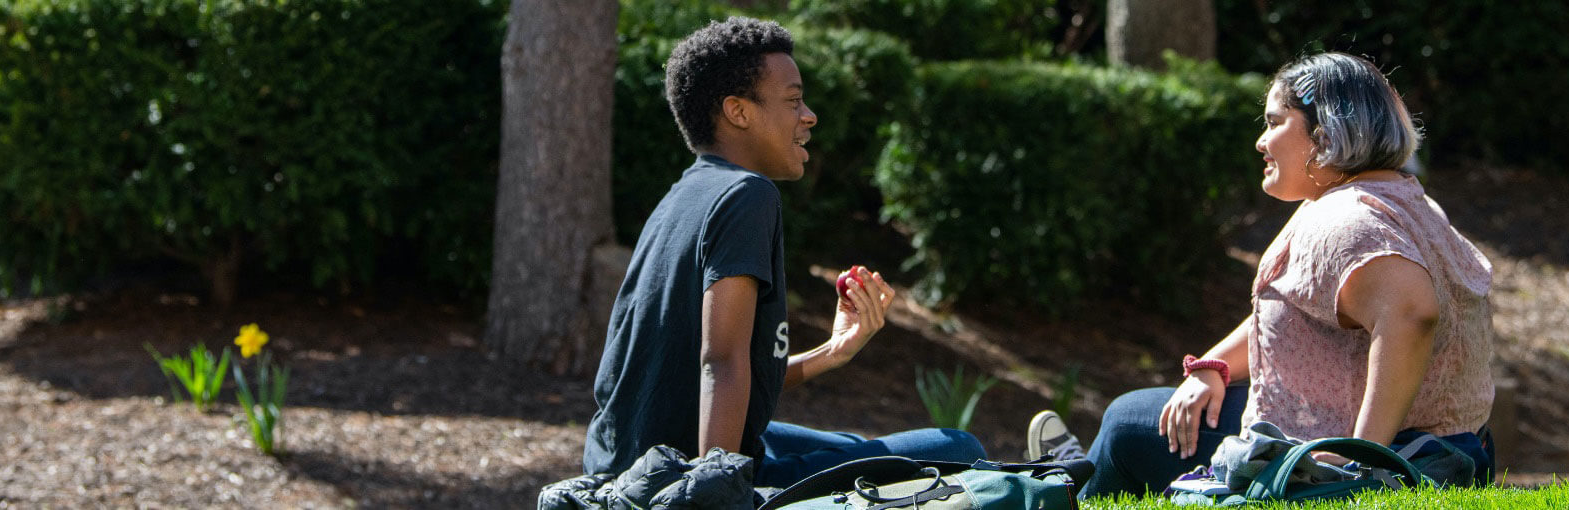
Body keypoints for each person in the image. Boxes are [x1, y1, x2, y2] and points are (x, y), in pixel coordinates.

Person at [1025, 52, 1498, 498]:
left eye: (1274, 123)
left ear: (1325, 133)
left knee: (1128, 423)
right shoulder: (1394, 197)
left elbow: (1412, 314)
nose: (1260, 141)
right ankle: (1071, 475)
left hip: (1386, 452)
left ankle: (1065, 487)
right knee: (1143, 415)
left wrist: (1357, 465)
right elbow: (1302, 308)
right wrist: (1212, 367)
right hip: (1445, 444)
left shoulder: (1347, 220)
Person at [581, 16, 988, 489]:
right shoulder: (747, 195)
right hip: (680, 478)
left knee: (853, 447)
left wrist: (832, 352)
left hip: (631, 462)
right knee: (960, 451)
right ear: (738, 111)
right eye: (793, 101)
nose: (809, 115)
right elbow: (721, 360)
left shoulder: (684, 194)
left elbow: (691, 377)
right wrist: (714, 494)